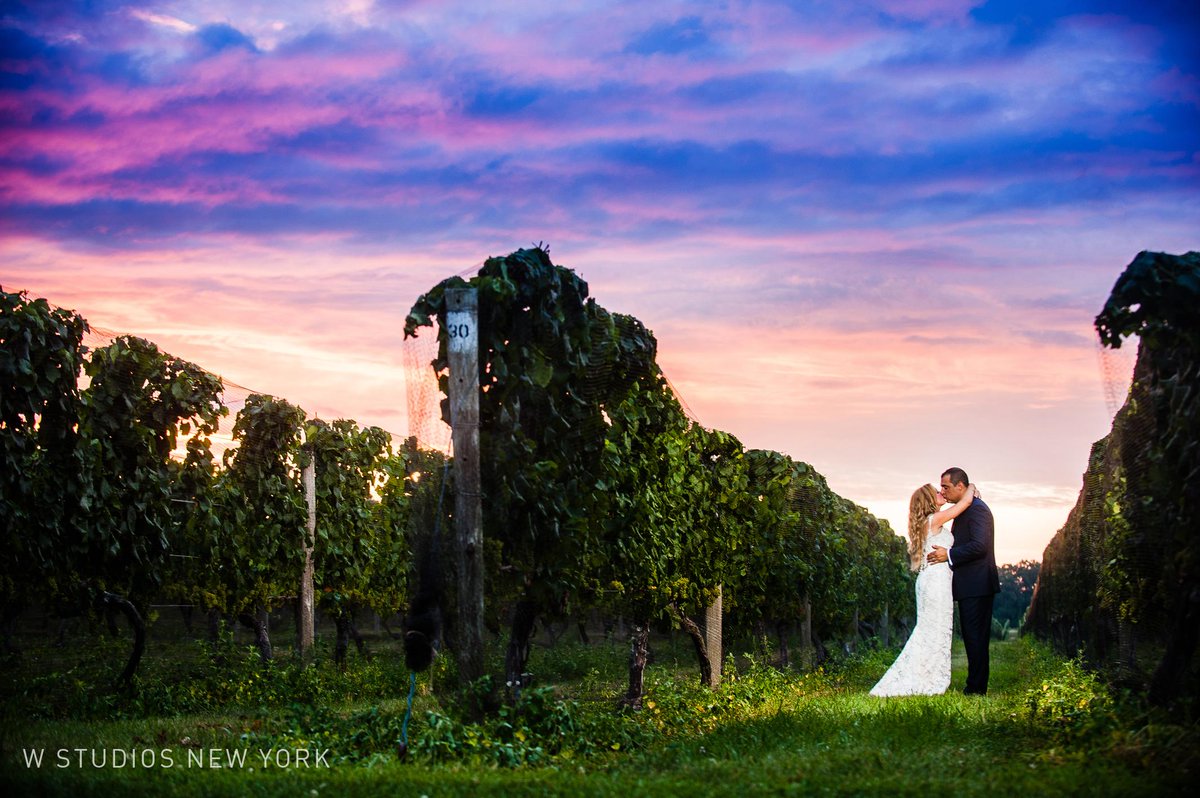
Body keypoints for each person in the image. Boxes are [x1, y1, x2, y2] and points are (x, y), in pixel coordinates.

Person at [870, 481, 978, 697]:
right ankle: (925, 680)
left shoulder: (926, 523)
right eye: (937, 492)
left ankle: (924, 676)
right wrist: (970, 486)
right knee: (935, 631)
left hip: (931, 580)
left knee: (930, 631)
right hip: (936, 582)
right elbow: (964, 503)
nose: (942, 493)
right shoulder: (934, 519)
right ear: (929, 500)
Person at [927, 467, 1000, 695]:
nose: (943, 492)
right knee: (972, 636)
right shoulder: (965, 509)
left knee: (976, 637)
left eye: (946, 487)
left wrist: (947, 555)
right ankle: (975, 685)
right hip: (970, 584)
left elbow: (980, 546)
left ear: (961, 486)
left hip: (977, 584)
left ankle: (976, 689)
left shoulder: (977, 510)